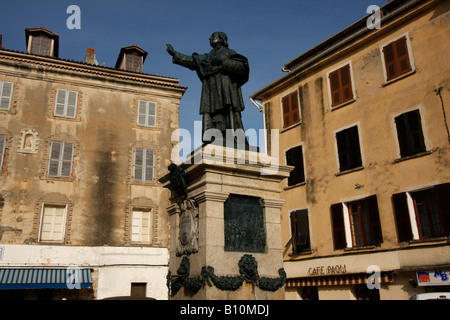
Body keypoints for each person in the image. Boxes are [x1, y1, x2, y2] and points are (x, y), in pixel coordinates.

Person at [166, 32, 249, 145]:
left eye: (213, 36)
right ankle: (217, 136)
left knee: (227, 111)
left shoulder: (230, 53)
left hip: (226, 89)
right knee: (213, 113)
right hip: (212, 90)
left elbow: (242, 68)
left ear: (221, 39)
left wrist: (223, 62)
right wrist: (175, 54)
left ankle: (232, 137)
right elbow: (193, 61)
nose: (210, 38)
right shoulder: (208, 57)